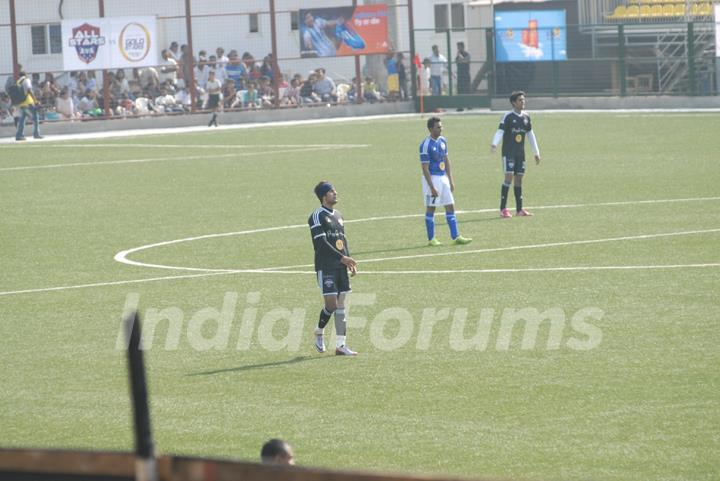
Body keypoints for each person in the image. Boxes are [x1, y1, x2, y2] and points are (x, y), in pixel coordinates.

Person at [308, 181, 358, 356]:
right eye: (331, 191)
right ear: (323, 196)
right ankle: (319, 330)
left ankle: (341, 345)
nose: (335, 193)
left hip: (340, 266)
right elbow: (321, 243)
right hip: (326, 266)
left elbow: (342, 240)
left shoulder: (338, 215)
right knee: (331, 304)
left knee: (341, 305)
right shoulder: (317, 216)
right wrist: (342, 257)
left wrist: (348, 260)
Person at [420, 117, 471, 246]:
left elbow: (447, 160)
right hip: (432, 179)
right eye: (438, 127)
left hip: (443, 178)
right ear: (431, 129)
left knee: (450, 206)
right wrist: (431, 187)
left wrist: (450, 179)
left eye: (441, 126)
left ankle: (456, 236)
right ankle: (431, 239)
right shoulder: (425, 145)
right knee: (431, 208)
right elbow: (425, 168)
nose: (440, 129)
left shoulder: (443, 141)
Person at [490, 91, 541, 218]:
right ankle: (503, 209)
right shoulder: (507, 116)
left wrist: (536, 152)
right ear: (513, 103)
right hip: (508, 153)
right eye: (520, 100)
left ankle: (519, 210)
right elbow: (500, 131)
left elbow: (530, 134)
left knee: (519, 179)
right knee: (508, 177)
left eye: (523, 100)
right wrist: (494, 143)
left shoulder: (526, 117)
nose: (523, 102)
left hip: (520, 154)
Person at [14, 71, 42, 141]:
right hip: (28, 102)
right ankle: (36, 134)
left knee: (22, 119)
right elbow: (29, 90)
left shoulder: (18, 82)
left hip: (21, 103)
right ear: (26, 75)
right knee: (35, 116)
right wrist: (35, 100)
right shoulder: (26, 80)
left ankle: (19, 135)